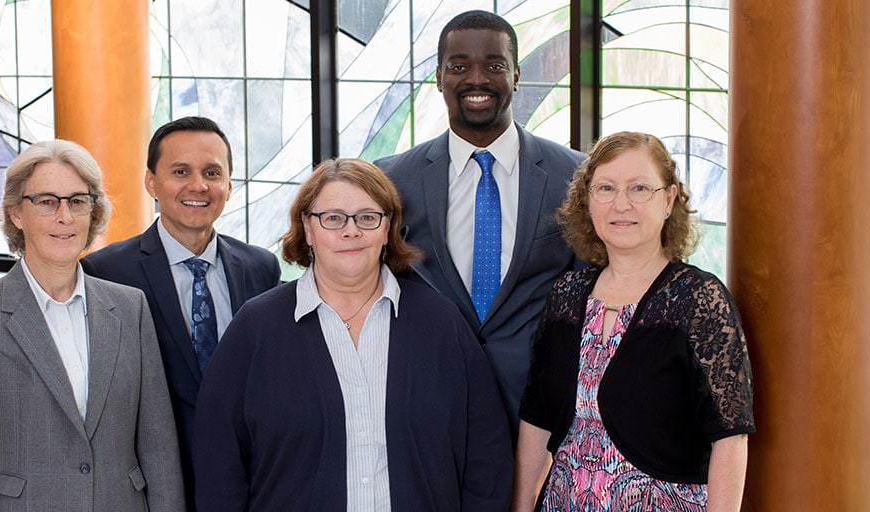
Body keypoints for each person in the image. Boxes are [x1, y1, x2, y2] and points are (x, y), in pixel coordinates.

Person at [192, 158, 512, 511]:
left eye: (367, 217)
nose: (351, 231)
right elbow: (217, 464)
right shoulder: (255, 328)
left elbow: (488, 454)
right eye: (332, 218)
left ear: (387, 227)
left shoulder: (442, 324)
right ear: (308, 228)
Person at [0, 140, 184, 511]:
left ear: (92, 212)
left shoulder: (131, 308)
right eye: (47, 201)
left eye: (77, 201)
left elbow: (158, 447)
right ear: (16, 213)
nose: (64, 216)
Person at [511, 131, 755, 511]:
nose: (620, 204)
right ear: (587, 201)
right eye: (606, 188)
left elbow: (730, 437)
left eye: (640, 188)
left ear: (670, 199)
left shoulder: (699, 300)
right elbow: (537, 417)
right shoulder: (567, 294)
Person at [375, 10, 585, 432]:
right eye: (459, 66)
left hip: (542, 409)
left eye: (494, 65)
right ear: (438, 77)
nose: (477, 79)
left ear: (516, 75)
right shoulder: (392, 178)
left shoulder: (575, 175)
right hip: (426, 403)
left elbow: (591, 295)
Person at [80, 116, 280, 506]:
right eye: (180, 171)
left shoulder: (261, 267)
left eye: (212, 172)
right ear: (151, 182)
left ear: (229, 185)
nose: (198, 186)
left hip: (251, 482)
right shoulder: (106, 272)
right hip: (154, 487)